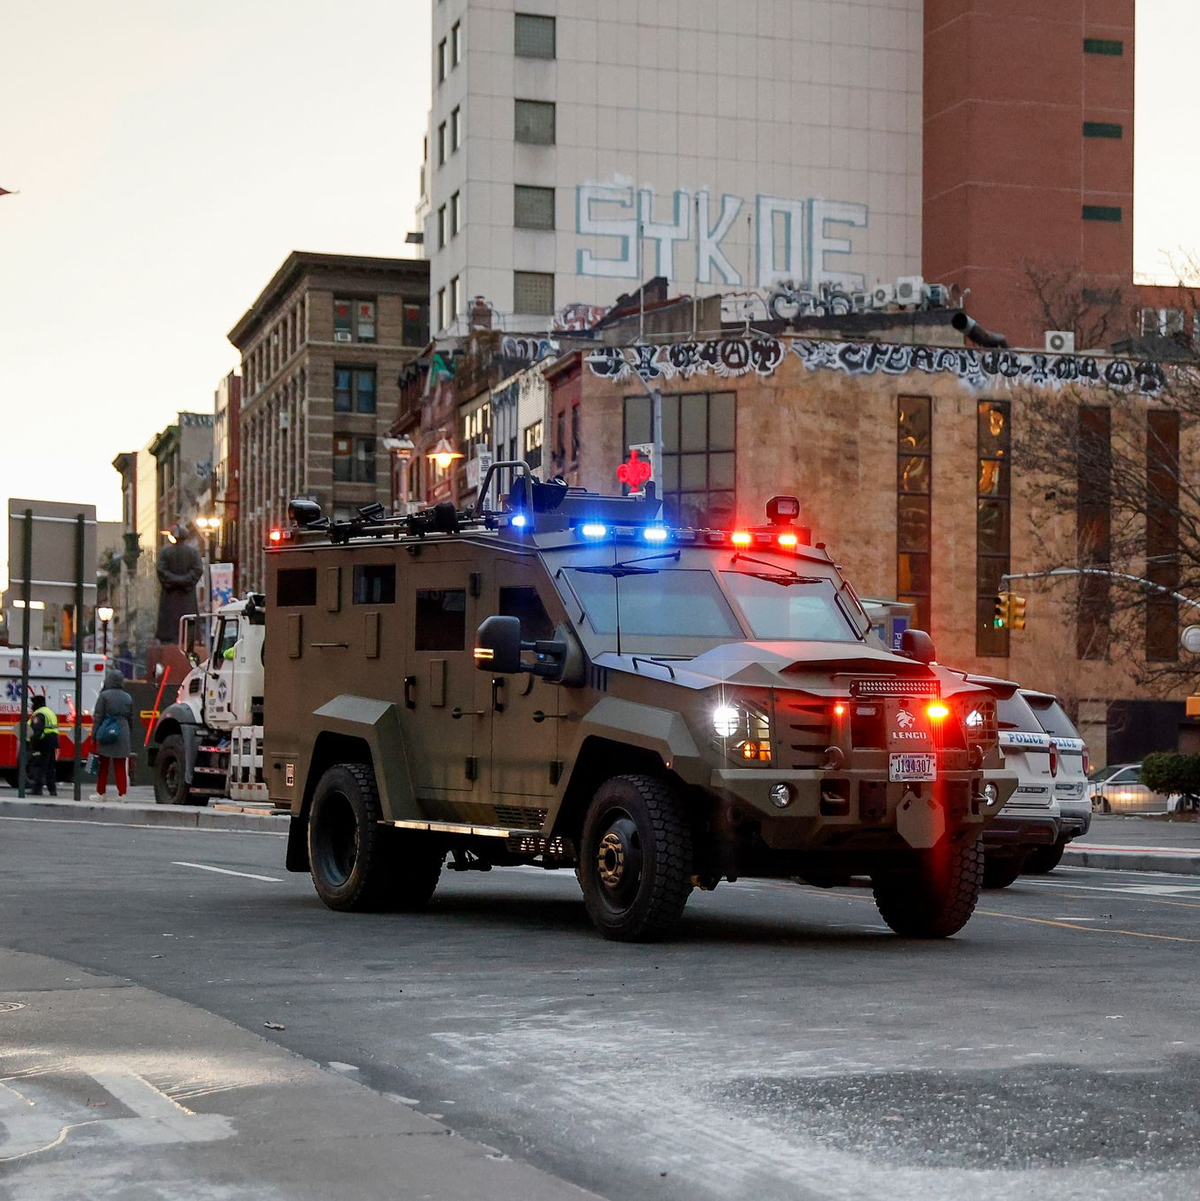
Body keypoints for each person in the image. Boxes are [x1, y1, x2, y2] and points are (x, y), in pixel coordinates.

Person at [91, 669, 135, 799]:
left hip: (106, 729)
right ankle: (122, 794)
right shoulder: (127, 697)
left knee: (103, 765)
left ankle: (101, 793)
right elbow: (131, 718)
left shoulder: (104, 696)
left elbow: (98, 716)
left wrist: (94, 735)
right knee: (120, 765)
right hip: (123, 731)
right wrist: (128, 732)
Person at [28, 691, 59, 796]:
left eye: (33, 703)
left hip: (43, 743)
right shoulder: (50, 712)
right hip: (52, 742)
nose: (32, 706)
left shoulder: (39, 714)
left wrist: (33, 745)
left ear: (37, 704)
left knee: (38, 766)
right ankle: (52, 790)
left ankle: (37, 789)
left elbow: (37, 732)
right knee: (50, 768)